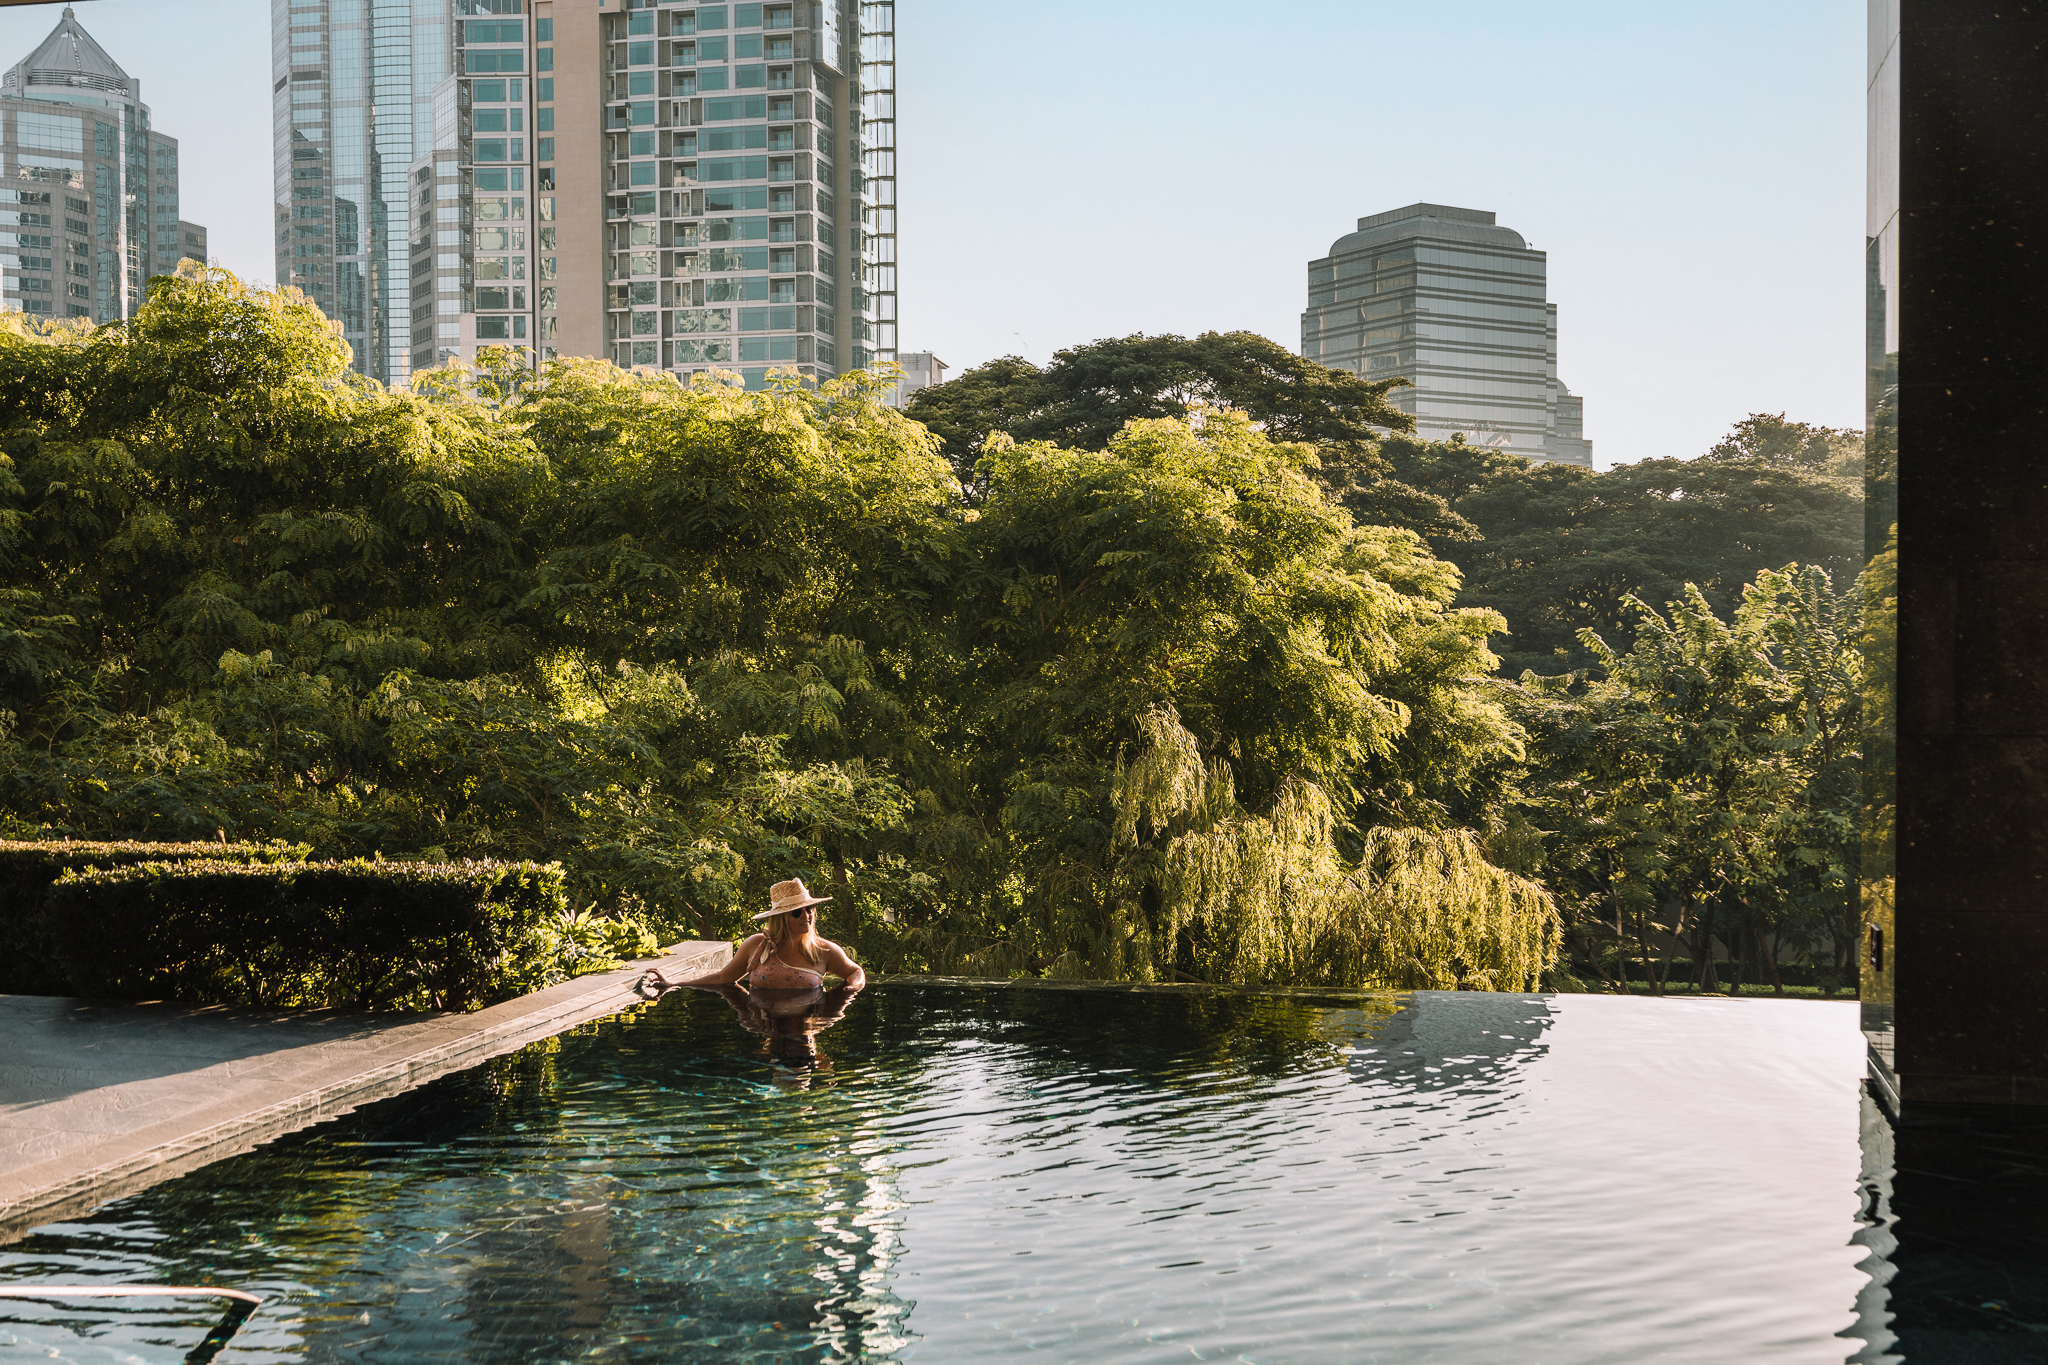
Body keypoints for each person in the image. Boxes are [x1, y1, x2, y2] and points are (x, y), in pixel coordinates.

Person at [641, 876, 866, 994]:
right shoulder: (757, 945)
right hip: (766, 1024)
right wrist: (674, 984)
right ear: (781, 918)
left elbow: (856, 972)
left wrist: (851, 990)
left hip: (807, 1024)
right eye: (797, 912)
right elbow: (723, 978)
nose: (805, 916)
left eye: (809, 909)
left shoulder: (823, 950)